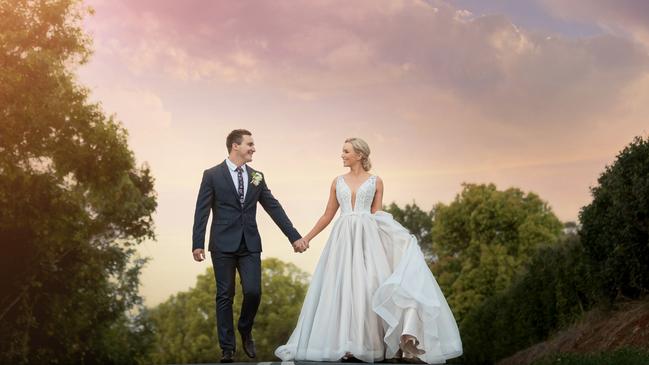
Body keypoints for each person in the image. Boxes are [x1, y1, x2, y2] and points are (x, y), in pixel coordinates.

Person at [275, 138, 462, 364]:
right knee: (342, 286)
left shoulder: (376, 181)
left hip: (368, 239)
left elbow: (377, 214)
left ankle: (368, 345)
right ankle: (344, 343)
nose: (342, 155)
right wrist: (306, 238)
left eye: (346, 151)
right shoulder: (337, 182)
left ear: (360, 155)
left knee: (367, 286)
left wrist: (399, 236)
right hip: (342, 239)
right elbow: (328, 214)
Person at [192, 129, 308, 363]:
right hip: (222, 244)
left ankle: (245, 327)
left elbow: (274, 207)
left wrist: (294, 236)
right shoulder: (212, 175)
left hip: (250, 244)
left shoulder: (257, 176)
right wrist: (198, 243)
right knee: (225, 295)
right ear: (236, 146)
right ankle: (227, 349)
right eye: (250, 144)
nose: (253, 148)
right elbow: (201, 211)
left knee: (253, 292)